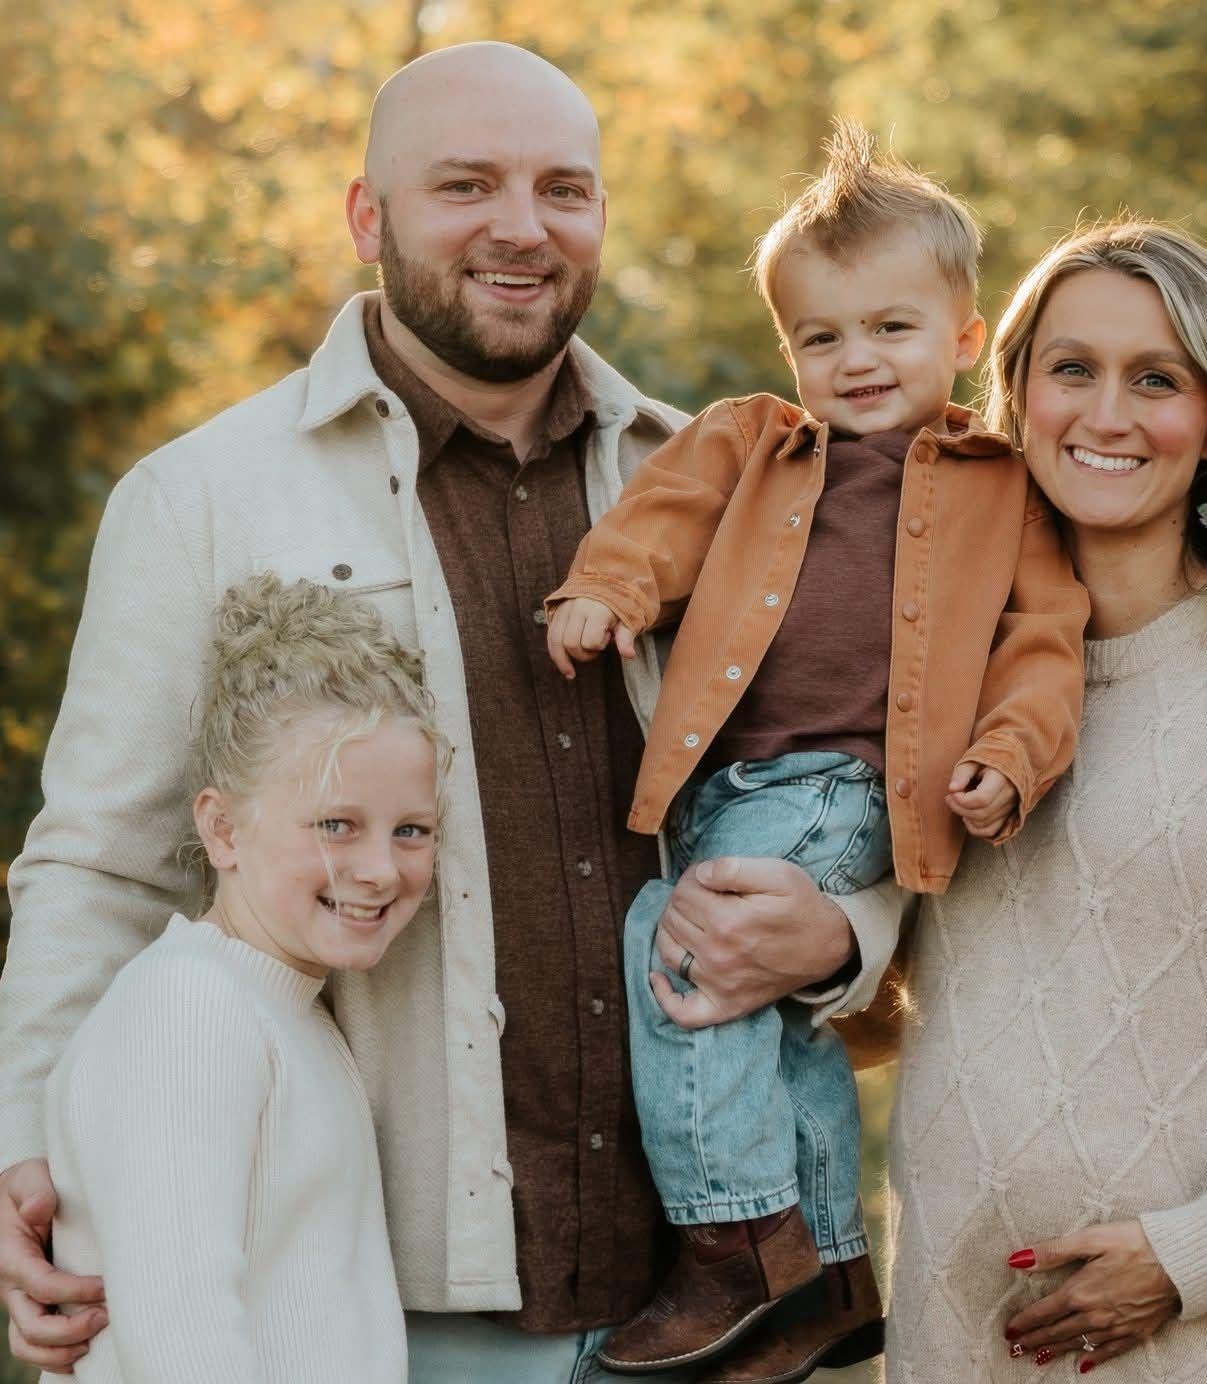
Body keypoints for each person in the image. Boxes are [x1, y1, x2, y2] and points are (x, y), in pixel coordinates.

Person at [0, 43, 904, 1384]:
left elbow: (841, 769)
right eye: (465, 186)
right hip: (385, 1293)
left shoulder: (716, 482)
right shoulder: (201, 499)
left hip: (703, 1294)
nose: (521, 227)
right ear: (368, 217)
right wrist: (27, 1147)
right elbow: (101, 861)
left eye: (563, 189)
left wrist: (848, 929)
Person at [546, 123, 1088, 1380]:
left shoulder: (1003, 485)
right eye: (821, 336)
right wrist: (606, 591)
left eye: (891, 329)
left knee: (676, 941)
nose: (854, 361)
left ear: (960, 338)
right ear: (787, 348)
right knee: (777, 1018)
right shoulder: (752, 443)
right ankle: (836, 1271)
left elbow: (1042, 642)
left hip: (852, 785)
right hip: (724, 785)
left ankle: (734, 1241)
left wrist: (1009, 751)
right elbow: (659, 521)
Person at [871, 221, 1207, 1381]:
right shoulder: (932, 666)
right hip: (956, 1342)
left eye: (1153, 379)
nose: (1105, 415)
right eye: (1072, 369)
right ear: (1013, 394)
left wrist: (1191, 1254)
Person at [41, 574, 444, 1383]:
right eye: (337, 825)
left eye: (411, 830)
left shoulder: (290, 1010)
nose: (378, 869)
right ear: (222, 829)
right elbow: (181, 1347)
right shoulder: (188, 1009)